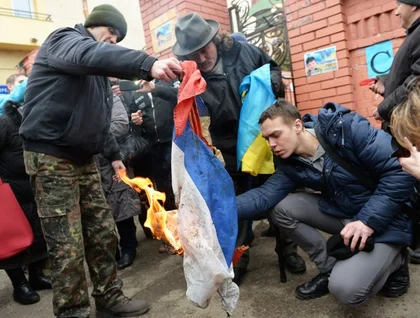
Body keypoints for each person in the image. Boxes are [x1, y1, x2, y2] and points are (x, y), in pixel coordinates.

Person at [19, 4, 182, 317]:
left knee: (104, 233)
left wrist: (115, 157)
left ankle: (109, 297)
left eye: (117, 38)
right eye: (109, 35)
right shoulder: (64, 41)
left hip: (84, 158)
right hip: (51, 156)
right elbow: (91, 54)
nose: (113, 43)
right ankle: (73, 311)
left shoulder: (96, 76)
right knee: (66, 243)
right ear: (92, 27)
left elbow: (99, 120)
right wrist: (149, 63)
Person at [237, 99, 414, 304]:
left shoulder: (346, 130)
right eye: (267, 139)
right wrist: (214, 211)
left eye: (276, 135)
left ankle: (397, 259)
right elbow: (264, 196)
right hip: (346, 214)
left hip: (386, 219)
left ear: (297, 125)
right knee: (281, 208)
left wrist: (367, 221)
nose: (272, 144)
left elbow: (400, 172)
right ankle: (329, 268)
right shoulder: (291, 163)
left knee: (347, 291)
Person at [172, 13, 305, 285]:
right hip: (227, 147)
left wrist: (273, 84)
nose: (201, 59)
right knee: (234, 205)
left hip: (263, 141)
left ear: (214, 41)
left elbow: (272, 69)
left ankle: (288, 249)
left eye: (204, 50)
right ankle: (239, 258)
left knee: (277, 196)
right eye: (193, 55)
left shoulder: (244, 52)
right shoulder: (191, 73)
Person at [370, 0, 420, 262]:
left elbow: (415, 81)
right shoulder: (413, 35)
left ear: (414, 5)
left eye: (399, 4)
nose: (396, 10)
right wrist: (385, 85)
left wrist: (385, 106)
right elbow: (405, 76)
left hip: (411, 125)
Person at [0, 100, 52, 305]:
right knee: (13, 239)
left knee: (39, 235)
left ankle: (36, 276)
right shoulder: (5, 123)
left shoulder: (39, 121)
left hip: (35, 189)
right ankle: (19, 285)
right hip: (10, 195)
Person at [96, 92, 142, 270]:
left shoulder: (109, 97)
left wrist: (90, 133)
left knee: (121, 206)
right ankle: (110, 251)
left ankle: (129, 248)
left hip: (113, 159)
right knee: (99, 212)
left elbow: (121, 125)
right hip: (89, 162)